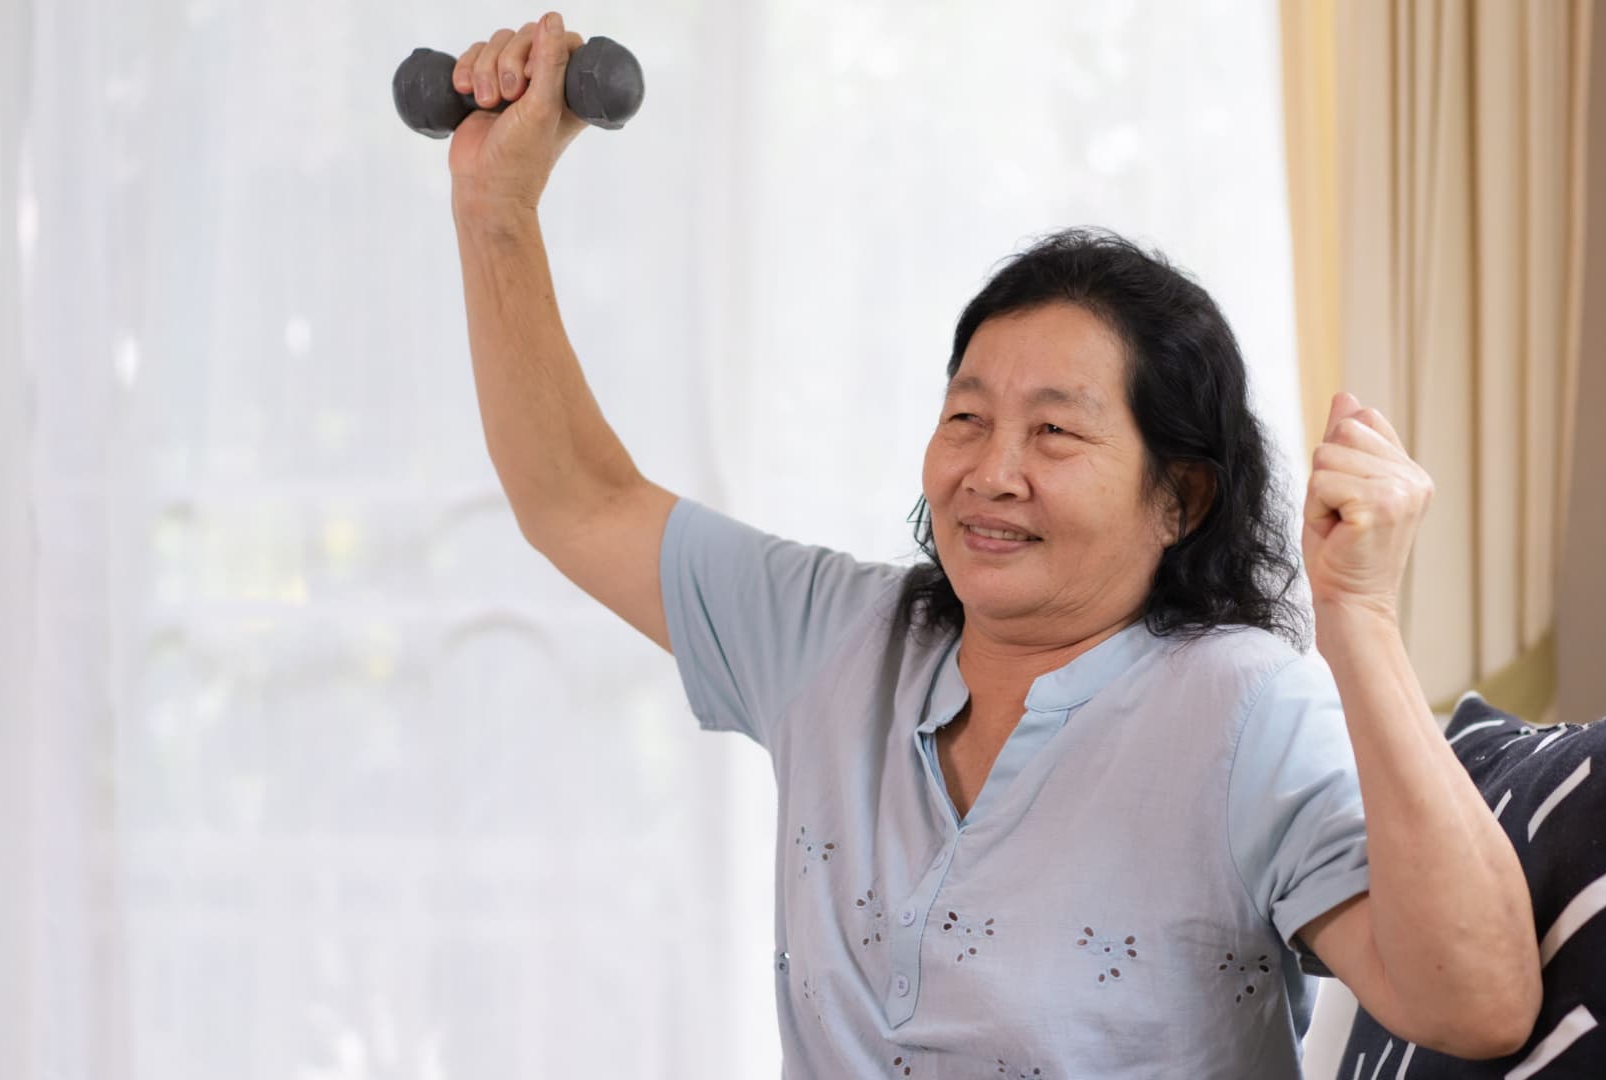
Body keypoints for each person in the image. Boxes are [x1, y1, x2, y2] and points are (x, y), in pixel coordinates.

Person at [444, 13, 1541, 1077]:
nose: (991, 470)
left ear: (1183, 496)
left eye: (1055, 432)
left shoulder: (1244, 709)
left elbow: (1476, 1004)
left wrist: (1360, 616)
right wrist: (498, 208)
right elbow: (577, 500)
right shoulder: (836, 637)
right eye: (966, 417)